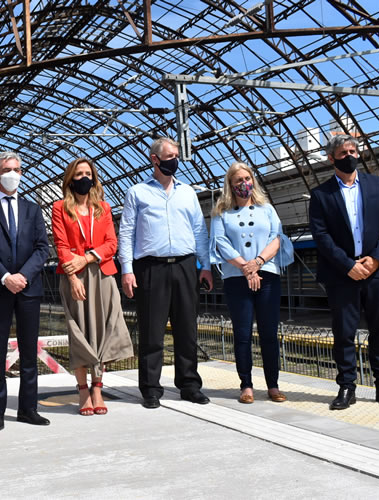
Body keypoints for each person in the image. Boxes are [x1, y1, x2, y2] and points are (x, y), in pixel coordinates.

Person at [118, 137, 212, 409]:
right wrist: (127, 269)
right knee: (151, 330)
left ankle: (189, 385)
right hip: (151, 267)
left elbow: (199, 231)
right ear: (154, 159)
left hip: (185, 264)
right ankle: (150, 388)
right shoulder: (137, 192)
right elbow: (126, 232)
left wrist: (204, 265)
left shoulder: (188, 193)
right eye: (170, 155)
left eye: (177, 154)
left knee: (187, 328)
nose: (176, 159)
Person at [0, 151, 50, 431]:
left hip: (28, 289)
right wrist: (5, 277)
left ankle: (28, 409)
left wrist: (22, 276)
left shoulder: (32, 209)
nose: (12, 174)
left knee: (29, 352)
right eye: (7, 169)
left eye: (17, 169)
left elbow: (43, 248)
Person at [309, 134, 379, 409]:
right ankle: (346, 387)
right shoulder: (321, 195)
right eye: (343, 153)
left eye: (353, 151)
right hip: (341, 274)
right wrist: (348, 265)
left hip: (377, 272)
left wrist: (375, 260)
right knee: (344, 333)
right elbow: (321, 236)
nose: (350, 156)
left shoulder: (378, 185)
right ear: (331, 158)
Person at [51, 158, 133, 415]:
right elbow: (61, 246)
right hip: (74, 276)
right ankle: (82, 389)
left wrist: (87, 257)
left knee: (103, 330)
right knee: (80, 331)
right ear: (70, 179)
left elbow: (112, 244)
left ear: (94, 178)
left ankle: (98, 386)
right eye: (79, 174)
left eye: (88, 173)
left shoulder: (104, 209)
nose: (84, 178)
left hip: (103, 275)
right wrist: (73, 277)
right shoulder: (59, 208)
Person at [210, 162, 293, 404]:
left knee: (269, 332)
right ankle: (246, 384)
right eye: (238, 180)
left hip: (266, 274)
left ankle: (273, 385)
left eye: (247, 178)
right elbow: (220, 242)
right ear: (230, 185)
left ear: (253, 181)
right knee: (243, 333)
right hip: (237, 277)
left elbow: (276, 237)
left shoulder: (267, 209)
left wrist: (257, 263)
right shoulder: (221, 213)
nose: (243, 183)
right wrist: (245, 267)